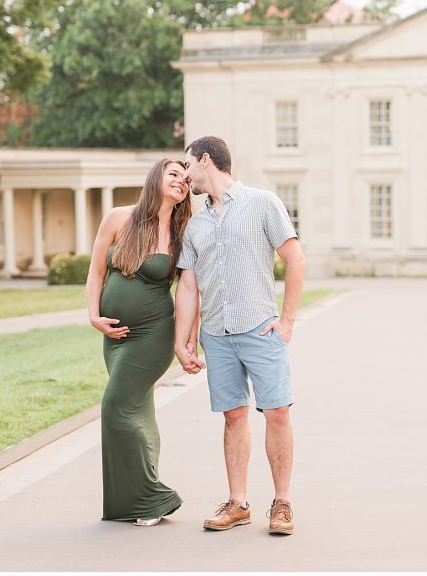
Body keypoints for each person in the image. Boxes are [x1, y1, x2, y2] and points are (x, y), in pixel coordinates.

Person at [173, 135, 306, 535]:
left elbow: (295, 259)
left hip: (260, 329)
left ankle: (281, 503)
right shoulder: (195, 225)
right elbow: (189, 287)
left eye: (188, 165)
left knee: (277, 413)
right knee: (233, 417)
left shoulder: (262, 203)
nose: (185, 174)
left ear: (206, 160)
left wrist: (287, 322)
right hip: (217, 334)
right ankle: (238, 502)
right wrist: (184, 340)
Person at [86, 158, 196, 526]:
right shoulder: (119, 217)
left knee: (117, 407)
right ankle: (132, 502)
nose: (181, 181)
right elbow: (97, 269)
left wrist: (187, 341)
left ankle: (150, 498)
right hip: (114, 337)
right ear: (156, 178)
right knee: (139, 414)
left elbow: (189, 291)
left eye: (185, 178)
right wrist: (92, 315)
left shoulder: (183, 233)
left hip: (152, 336)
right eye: (173, 174)